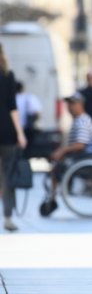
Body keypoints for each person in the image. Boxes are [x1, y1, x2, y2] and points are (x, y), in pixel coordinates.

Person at [41, 92, 92, 215]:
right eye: (68, 104)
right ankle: (52, 196)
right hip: (79, 157)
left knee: (58, 167)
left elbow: (80, 145)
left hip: (85, 159)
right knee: (56, 163)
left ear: (80, 105)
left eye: (72, 104)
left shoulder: (82, 121)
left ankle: (53, 197)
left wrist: (62, 151)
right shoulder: (78, 120)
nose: (69, 107)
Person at [0, 45, 27, 232]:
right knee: (8, 176)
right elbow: (13, 107)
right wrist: (20, 133)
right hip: (7, 131)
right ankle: (8, 218)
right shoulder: (8, 75)